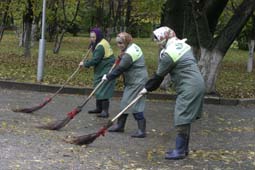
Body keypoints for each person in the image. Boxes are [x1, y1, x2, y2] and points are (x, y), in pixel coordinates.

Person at [139, 26, 205, 159]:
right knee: (185, 117)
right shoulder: (182, 45)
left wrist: (146, 89)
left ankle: (180, 151)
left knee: (181, 117)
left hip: (189, 87)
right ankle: (183, 150)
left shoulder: (169, 54)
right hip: (197, 84)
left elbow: (158, 76)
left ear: (165, 37)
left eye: (158, 39)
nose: (157, 41)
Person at [102, 32, 148, 138]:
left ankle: (142, 131)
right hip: (134, 80)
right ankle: (120, 125)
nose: (119, 45)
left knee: (135, 105)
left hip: (137, 81)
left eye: (121, 43)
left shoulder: (129, 53)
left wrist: (108, 77)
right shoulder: (130, 47)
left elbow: (120, 69)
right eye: (118, 43)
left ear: (127, 41)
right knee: (125, 103)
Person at [79, 28, 115, 118]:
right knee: (98, 86)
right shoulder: (101, 41)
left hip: (107, 68)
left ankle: (105, 111)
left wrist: (84, 64)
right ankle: (99, 108)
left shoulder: (100, 46)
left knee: (104, 88)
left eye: (94, 37)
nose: (92, 39)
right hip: (101, 67)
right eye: (91, 37)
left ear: (98, 36)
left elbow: (95, 60)